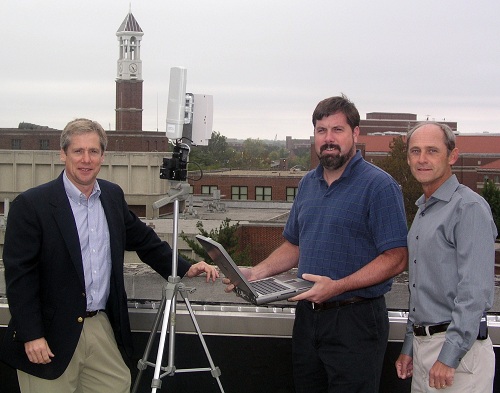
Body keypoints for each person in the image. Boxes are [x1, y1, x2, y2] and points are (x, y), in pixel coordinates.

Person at [0, 118, 219, 393]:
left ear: (103, 156)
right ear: (63, 154)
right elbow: (20, 277)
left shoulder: (111, 196)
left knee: (117, 384)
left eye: (93, 151)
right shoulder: (32, 205)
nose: (86, 159)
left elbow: (143, 239)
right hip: (49, 331)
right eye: (78, 151)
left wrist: (185, 268)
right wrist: (32, 335)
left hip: (98, 324)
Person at [224, 95, 408, 392]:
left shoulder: (379, 186)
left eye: (337, 130)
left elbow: (396, 258)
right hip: (307, 321)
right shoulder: (307, 183)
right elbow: (294, 246)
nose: (328, 138)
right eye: (321, 130)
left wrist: (338, 286)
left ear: (355, 134)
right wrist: (254, 274)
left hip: (356, 322)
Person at [395, 122, 497, 392]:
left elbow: (475, 292)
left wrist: (449, 357)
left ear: (452, 156)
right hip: (424, 350)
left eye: (432, 151)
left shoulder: (469, 208)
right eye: (415, 151)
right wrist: (410, 346)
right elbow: (420, 290)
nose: (422, 159)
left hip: (459, 356)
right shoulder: (423, 211)